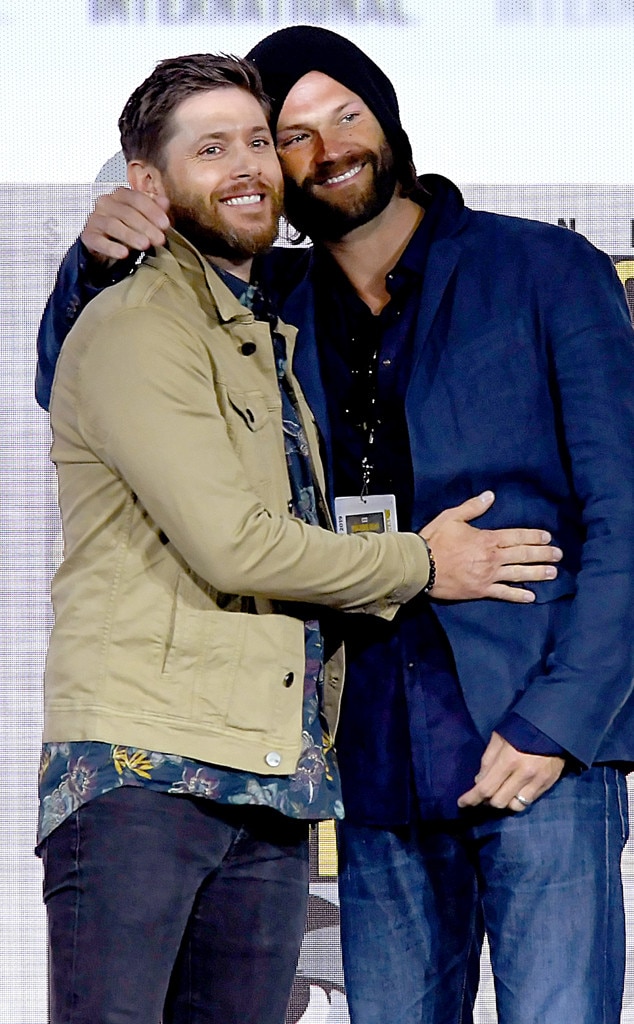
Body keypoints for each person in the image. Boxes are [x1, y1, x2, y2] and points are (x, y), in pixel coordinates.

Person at [35, 28, 634, 1024]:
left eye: (345, 116)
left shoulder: (546, 270)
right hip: (368, 765)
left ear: (389, 120)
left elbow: (626, 515)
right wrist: (94, 261)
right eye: (292, 133)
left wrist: (563, 723)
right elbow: (77, 373)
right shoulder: (260, 304)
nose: (327, 150)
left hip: (533, 746)